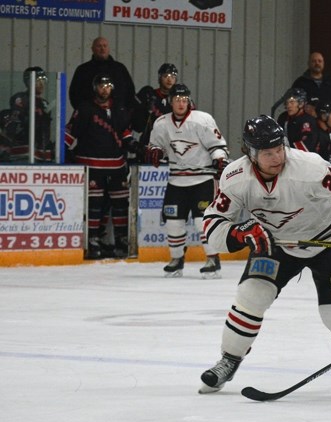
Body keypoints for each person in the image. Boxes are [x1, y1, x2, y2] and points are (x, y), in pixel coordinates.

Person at [198, 115, 331, 393]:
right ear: (251, 154)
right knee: (252, 294)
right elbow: (212, 223)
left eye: (279, 149)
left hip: (330, 241)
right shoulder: (235, 178)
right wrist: (239, 234)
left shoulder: (310, 167)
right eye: (267, 153)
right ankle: (228, 360)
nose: (276, 157)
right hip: (276, 243)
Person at [146, 84, 229, 278]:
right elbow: (155, 146)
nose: (181, 104)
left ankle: (212, 259)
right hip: (176, 179)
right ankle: (176, 259)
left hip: (202, 180)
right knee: (173, 223)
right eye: (177, 100)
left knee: (203, 222)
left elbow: (217, 144)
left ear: (189, 101)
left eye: (184, 100)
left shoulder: (202, 120)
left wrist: (219, 158)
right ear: (170, 101)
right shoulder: (161, 123)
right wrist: (155, 152)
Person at [65, 74, 138, 259]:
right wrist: (63, 150)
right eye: (101, 85)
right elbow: (70, 133)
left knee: (121, 203)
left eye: (107, 85)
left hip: (116, 164)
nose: (104, 89)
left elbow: (126, 133)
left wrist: (133, 145)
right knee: (94, 205)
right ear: (94, 87)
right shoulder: (84, 108)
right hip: (91, 164)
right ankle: (93, 239)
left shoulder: (119, 108)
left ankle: (121, 239)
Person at [69, 37, 136, 111]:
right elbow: (74, 94)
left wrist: (125, 112)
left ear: (108, 49)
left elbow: (130, 92)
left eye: (105, 46)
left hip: (117, 116)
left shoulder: (120, 69)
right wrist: (83, 112)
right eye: (99, 46)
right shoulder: (83, 70)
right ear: (92, 49)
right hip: (90, 117)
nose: (102, 49)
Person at [131, 63, 179, 162]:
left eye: (173, 76)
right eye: (166, 76)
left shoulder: (180, 101)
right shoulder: (149, 95)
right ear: (159, 77)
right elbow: (137, 125)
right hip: (149, 148)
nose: (169, 80)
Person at [9, 66, 53, 161]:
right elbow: (20, 123)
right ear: (29, 82)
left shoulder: (45, 104)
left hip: (41, 152)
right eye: (38, 80)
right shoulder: (20, 98)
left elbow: (45, 129)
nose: (41, 84)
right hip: (23, 149)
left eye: (43, 80)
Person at [276, 88, 318, 152]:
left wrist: (285, 150)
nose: (288, 105)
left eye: (292, 102)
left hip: (303, 158)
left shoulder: (308, 121)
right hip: (286, 156)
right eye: (287, 102)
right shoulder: (283, 117)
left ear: (301, 103)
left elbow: (305, 146)